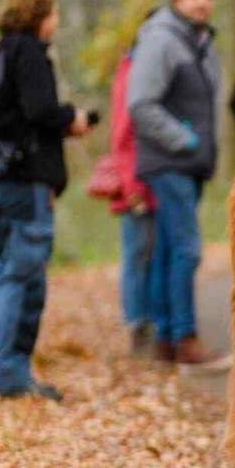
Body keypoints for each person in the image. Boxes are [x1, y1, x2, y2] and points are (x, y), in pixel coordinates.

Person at [0, 0, 94, 400]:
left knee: (6, 274)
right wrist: (72, 116)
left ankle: (9, 370)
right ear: (39, 14)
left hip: (0, 179)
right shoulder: (29, 52)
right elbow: (38, 110)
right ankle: (11, 377)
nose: (57, 20)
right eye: (54, 12)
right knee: (23, 278)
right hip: (26, 180)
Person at [127, 0, 229, 371]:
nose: (202, 1)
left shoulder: (201, 43)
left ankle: (166, 341)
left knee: (170, 249)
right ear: (177, 0)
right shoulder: (161, 38)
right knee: (186, 250)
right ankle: (185, 339)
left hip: (190, 166)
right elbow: (140, 104)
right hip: (169, 162)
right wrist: (184, 141)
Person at [108, 39, 157, 357]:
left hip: (153, 180)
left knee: (150, 256)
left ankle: (148, 324)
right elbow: (122, 135)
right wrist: (130, 185)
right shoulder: (134, 71)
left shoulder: (148, 69)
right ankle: (137, 326)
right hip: (138, 183)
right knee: (137, 255)